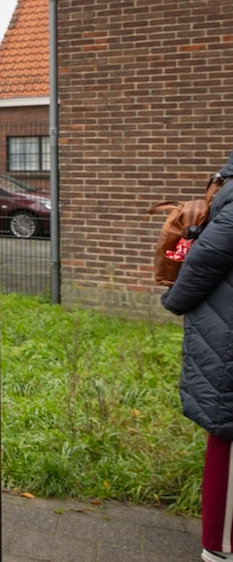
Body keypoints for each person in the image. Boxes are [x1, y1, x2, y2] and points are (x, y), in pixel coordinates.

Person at [162, 155, 233, 562]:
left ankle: (220, 546)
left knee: (226, 440)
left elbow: (205, 259)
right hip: (223, 342)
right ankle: (220, 545)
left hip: (223, 341)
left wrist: (174, 299)